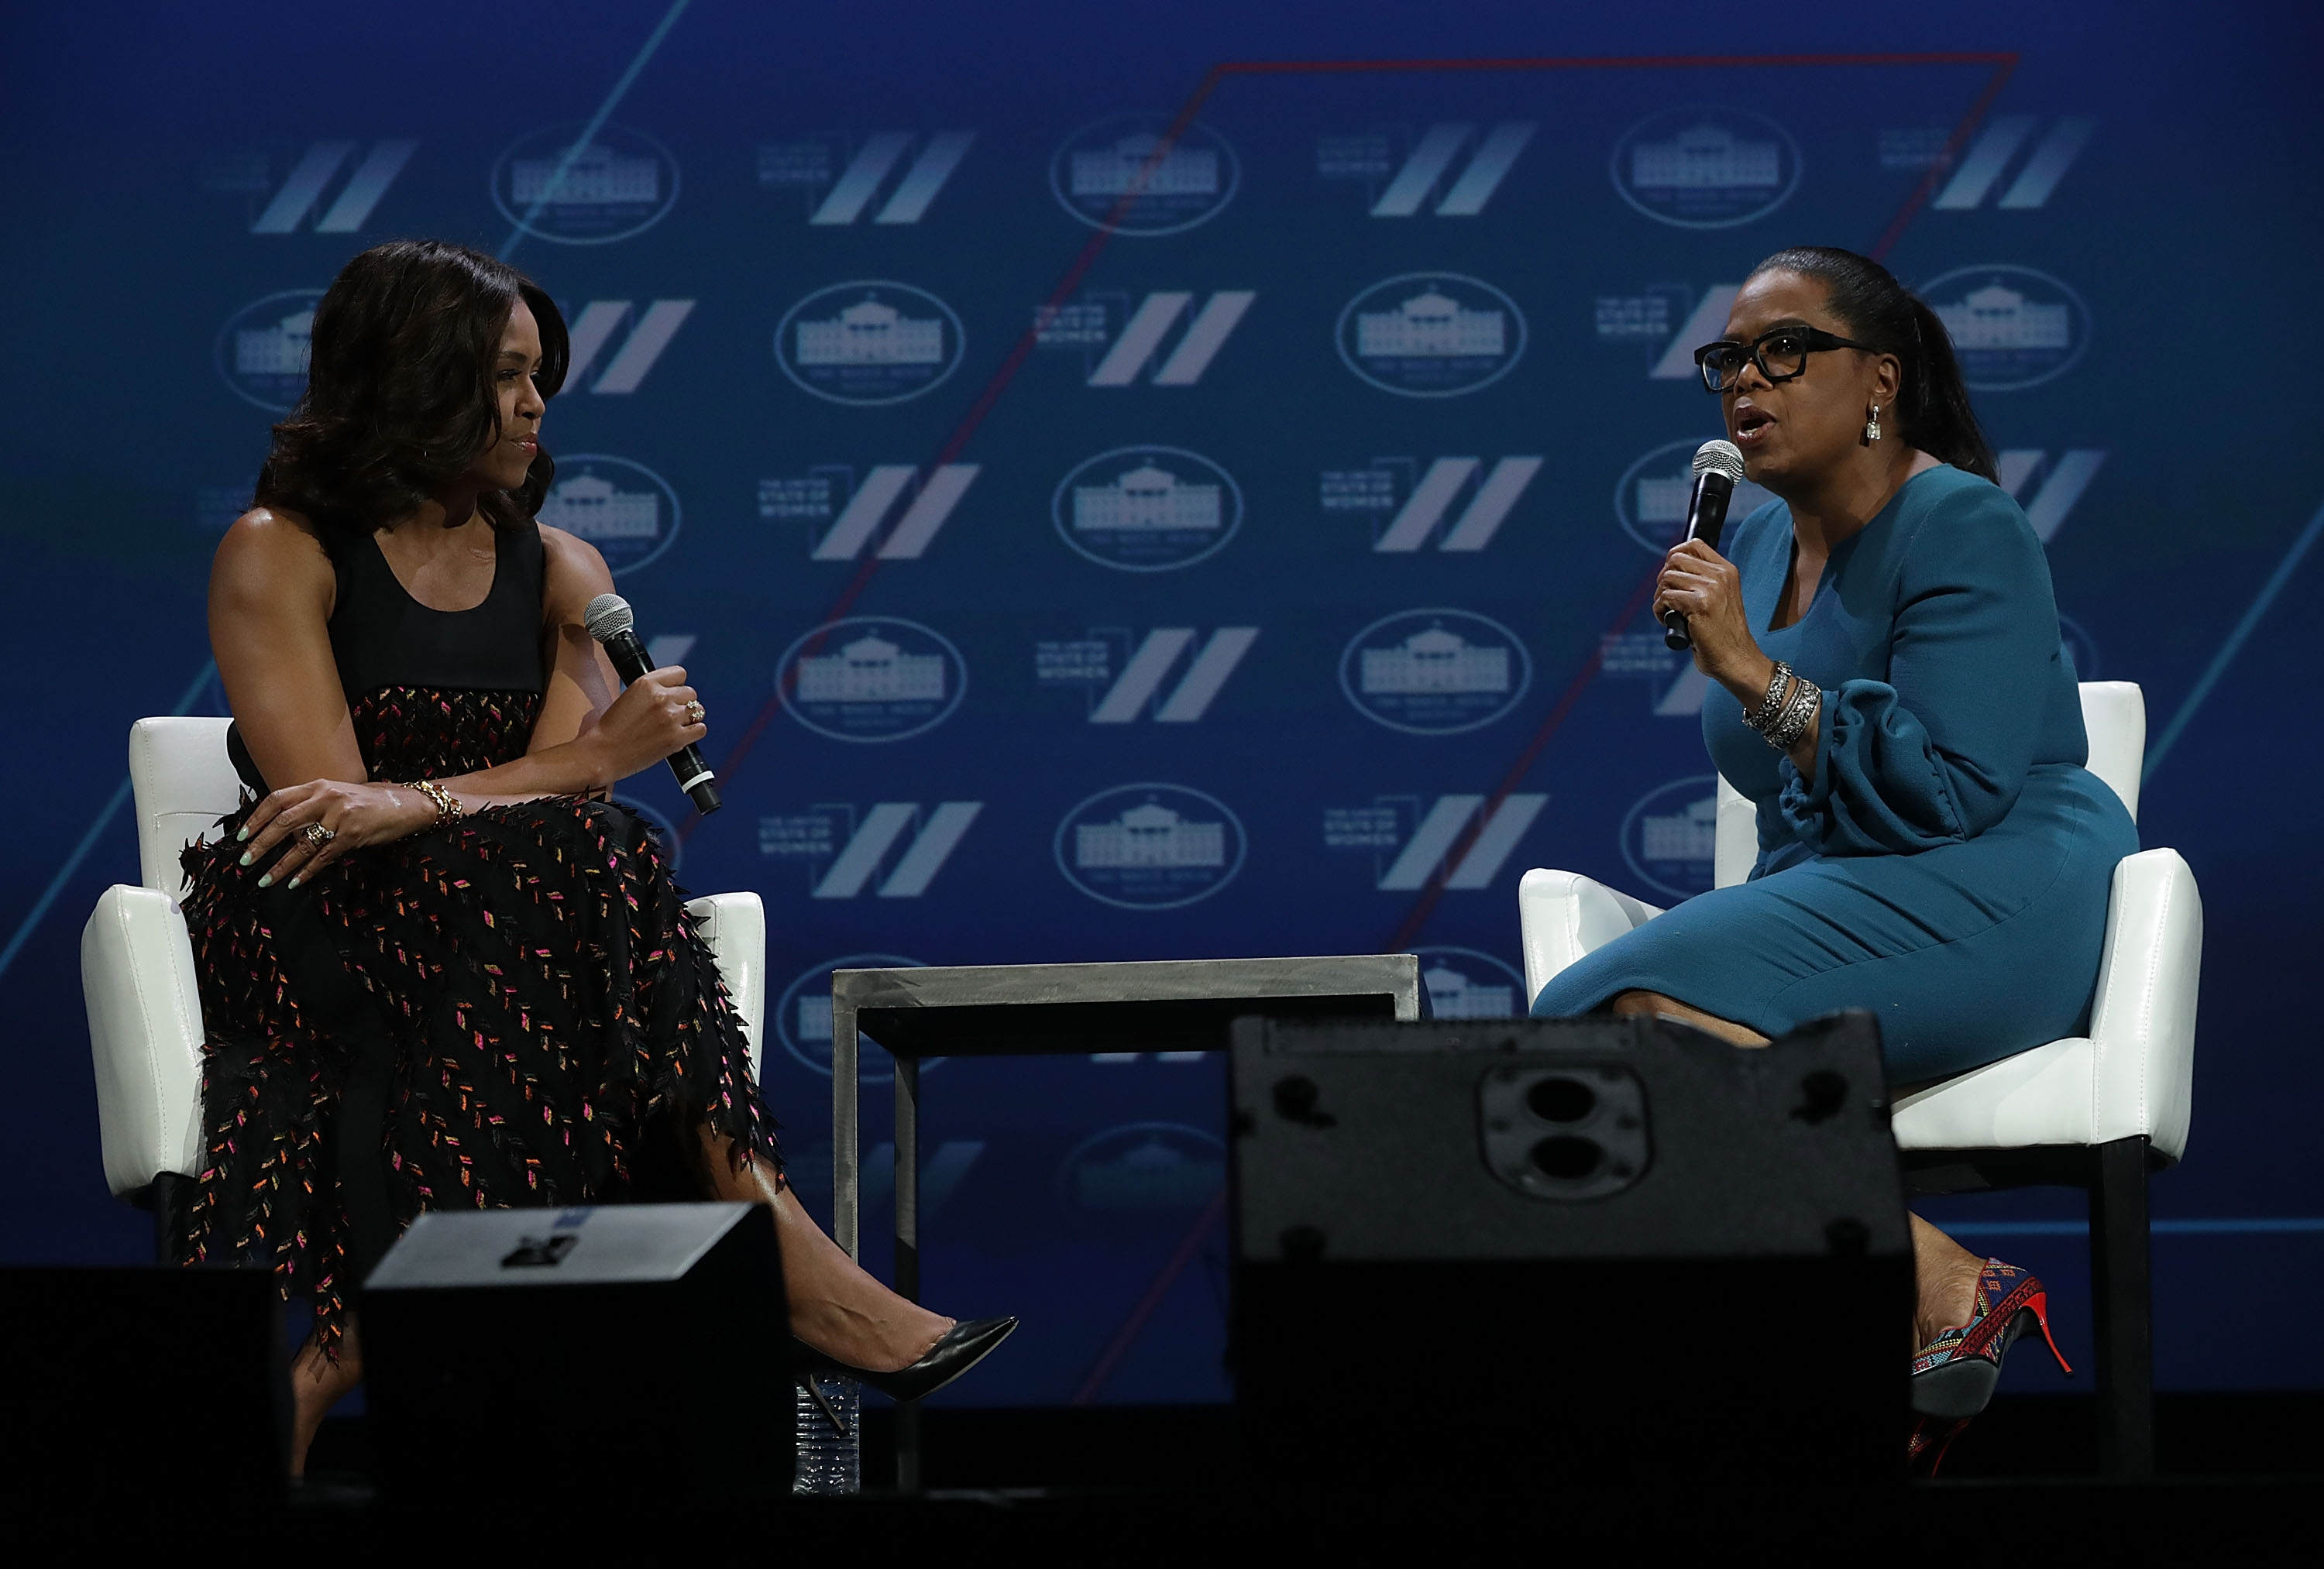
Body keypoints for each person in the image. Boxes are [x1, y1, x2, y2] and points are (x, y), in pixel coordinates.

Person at [177, 239, 1012, 1474]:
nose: (535, 406)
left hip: (501, 939)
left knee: (581, 860)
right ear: (415, 376)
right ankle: (793, 1271)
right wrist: (586, 759)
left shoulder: (564, 571)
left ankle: (339, 1353)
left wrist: (512, 782)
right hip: (320, 927)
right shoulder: (280, 550)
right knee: (587, 858)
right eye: (505, 375)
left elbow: (549, 812)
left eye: (540, 377)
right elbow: (329, 817)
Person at [1529, 245, 2137, 1464]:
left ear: (1880, 380)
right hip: (1851, 881)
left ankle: (1931, 1289)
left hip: (2004, 879)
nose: (1745, 382)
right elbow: (1789, 796)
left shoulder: (1962, 522)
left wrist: (1750, 669)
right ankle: (1930, 1290)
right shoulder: (1752, 549)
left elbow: (1950, 788)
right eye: (1728, 361)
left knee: (1582, 1015)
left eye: (1783, 351)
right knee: (1622, 1041)